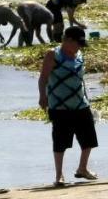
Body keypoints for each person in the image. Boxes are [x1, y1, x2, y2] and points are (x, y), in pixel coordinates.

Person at [38, 26, 97, 185]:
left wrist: (87, 98)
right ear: (68, 40)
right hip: (59, 105)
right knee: (60, 141)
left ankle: (82, 169)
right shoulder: (53, 55)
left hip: (80, 104)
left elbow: (81, 80)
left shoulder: (79, 55)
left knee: (89, 139)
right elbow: (43, 78)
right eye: (78, 43)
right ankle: (59, 176)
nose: (79, 47)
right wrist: (42, 96)